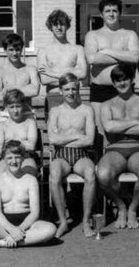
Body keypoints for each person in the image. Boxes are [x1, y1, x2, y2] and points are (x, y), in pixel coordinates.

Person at [97, 64, 139, 229]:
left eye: (125, 79)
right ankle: (121, 206)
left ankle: (133, 208)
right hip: (115, 148)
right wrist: (136, 121)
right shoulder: (107, 105)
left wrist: (118, 124)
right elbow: (108, 128)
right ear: (114, 83)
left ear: (132, 80)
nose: (122, 83)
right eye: (118, 80)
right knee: (103, 174)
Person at [0, 140, 56, 250]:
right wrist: (11, 229)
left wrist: (19, 230)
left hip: (27, 224)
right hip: (4, 224)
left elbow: (35, 213)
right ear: (3, 159)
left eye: (17, 157)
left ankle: (1, 243)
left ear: (23, 158)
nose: (14, 161)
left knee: (50, 229)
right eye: (9, 158)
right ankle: (18, 239)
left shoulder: (31, 180)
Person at [84, 0, 139, 150]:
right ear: (101, 14)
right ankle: (100, 167)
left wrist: (107, 51)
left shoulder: (129, 34)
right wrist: (123, 56)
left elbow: (135, 57)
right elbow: (92, 58)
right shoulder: (93, 35)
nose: (111, 14)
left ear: (120, 13)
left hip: (124, 90)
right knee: (100, 133)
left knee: (123, 130)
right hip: (100, 90)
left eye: (114, 10)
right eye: (107, 11)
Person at [48, 73, 96, 238]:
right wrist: (76, 136)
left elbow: (89, 140)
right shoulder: (55, 111)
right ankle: (63, 221)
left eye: (74, 89)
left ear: (79, 90)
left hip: (81, 155)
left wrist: (64, 139)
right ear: (61, 91)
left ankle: (86, 220)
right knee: (54, 173)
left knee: (90, 173)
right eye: (67, 89)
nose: (70, 92)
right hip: (61, 155)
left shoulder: (86, 110)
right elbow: (52, 139)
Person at [37, 9, 87, 117]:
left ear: (68, 26)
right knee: (54, 130)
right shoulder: (43, 51)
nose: (59, 28)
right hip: (53, 96)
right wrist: (72, 74)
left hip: (73, 96)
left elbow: (83, 74)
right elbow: (45, 79)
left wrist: (52, 73)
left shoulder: (78, 49)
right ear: (50, 27)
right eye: (55, 24)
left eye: (62, 24)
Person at [0, 33, 39, 120]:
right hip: (7, 114)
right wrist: (26, 88)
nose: (14, 53)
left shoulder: (30, 69)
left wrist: (10, 88)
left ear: (22, 49)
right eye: (11, 49)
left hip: (27, 112)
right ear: (5, 50)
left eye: (17, 49)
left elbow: (35, 91)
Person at [0, 89, 38, 177]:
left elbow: (32, 146)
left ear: (23, 105)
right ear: (6, 107)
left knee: (30, 173)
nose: (15, 111)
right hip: (7, 158)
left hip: (26, 158)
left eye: (18, 106)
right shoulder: (2, 125)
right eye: (11, 107)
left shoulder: (30, 123)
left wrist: (8, 144)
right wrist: (23, 143)